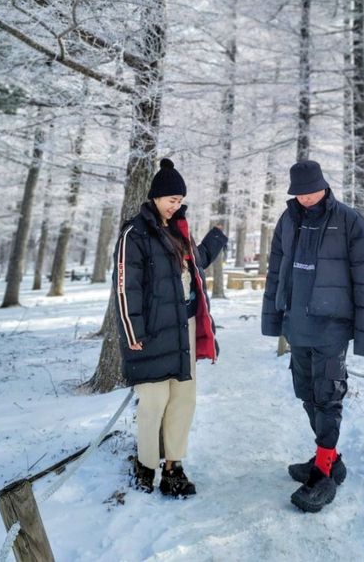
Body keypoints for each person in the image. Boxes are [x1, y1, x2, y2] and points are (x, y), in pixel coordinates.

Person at [261, 159, 364, 513]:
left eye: (311, 191)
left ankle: (324, 470)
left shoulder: (349, 221)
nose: (306, 198)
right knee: (306, 393)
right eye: (299, 193)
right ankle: (327, 457)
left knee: (327, 395)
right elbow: (276, 270)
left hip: (332, 326)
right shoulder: (288, 219)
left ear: (324, 186)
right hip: (296, 324)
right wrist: (273, 319)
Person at [113, 158, 227, 497]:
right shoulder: (134, 234)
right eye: (170, 200)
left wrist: (215, 240)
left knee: (183, 398)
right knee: (153, 401)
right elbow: (125, 288)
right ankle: (146, 464)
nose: (174, 206)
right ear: (154, 198)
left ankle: (173, 465)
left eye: (179, 201)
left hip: (184, 325)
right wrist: (133, 334)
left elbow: (191, 267)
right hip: (150, 331)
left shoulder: (178, 230)